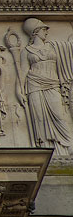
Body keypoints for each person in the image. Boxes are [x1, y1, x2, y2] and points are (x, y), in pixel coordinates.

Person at [16, 18, 73, 156]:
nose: (46, 32)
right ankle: (45, 148)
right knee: (39, 119)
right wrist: (19, 89)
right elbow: (23, 71)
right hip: (34, 85)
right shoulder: (26, 51)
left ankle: (68, 144)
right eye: (43, 29)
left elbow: (70, 48)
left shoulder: (55, 46)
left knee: (58, 115)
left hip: (52, 84)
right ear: (35, 32)